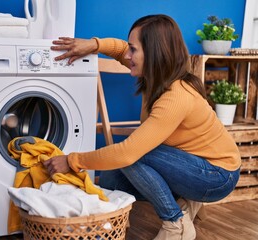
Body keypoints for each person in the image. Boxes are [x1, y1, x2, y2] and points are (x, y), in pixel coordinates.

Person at [43, 14, 241, 240]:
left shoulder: (176, 97)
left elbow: (127, 154)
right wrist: (94, 44)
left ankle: (175, 222)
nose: (127, 56)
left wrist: (71, 161)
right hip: (189, 162)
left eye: (134, 50)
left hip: (217, 175)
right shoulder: (156, 73)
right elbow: (119, 49)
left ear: (155, 53)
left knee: (132, 155)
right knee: (110, 180)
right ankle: (185, 200)